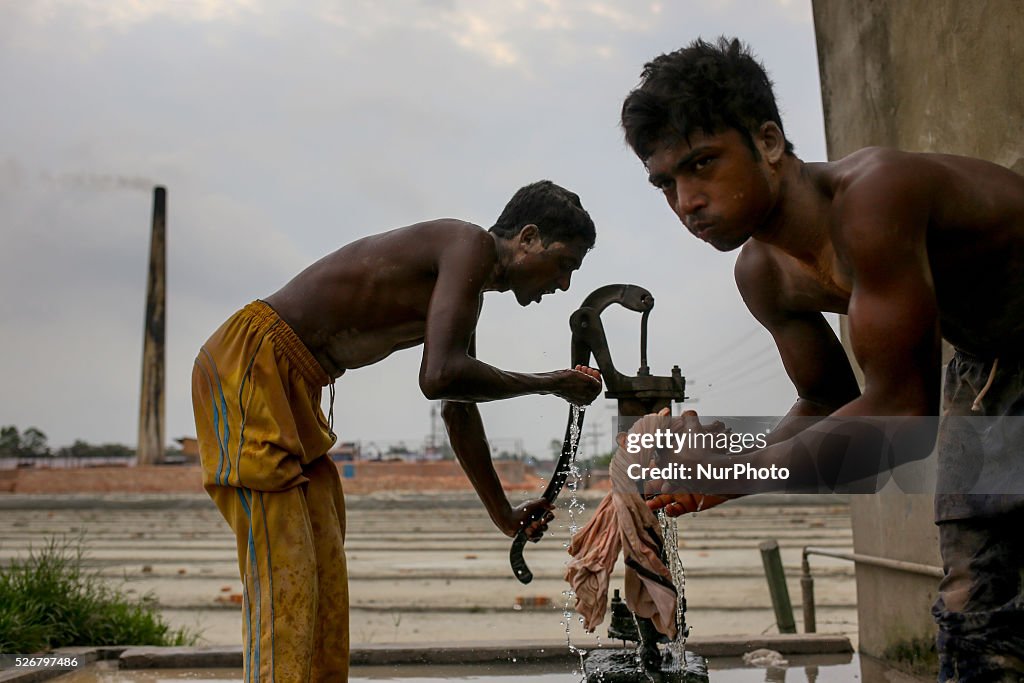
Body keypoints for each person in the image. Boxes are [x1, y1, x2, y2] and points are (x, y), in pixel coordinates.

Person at [619, 37, 1024, 681]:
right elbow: (829, 404)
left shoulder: (875, 197)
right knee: (974, 606)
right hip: (986, 369)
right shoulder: (763, 274)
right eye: (665, 182)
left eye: (703, 164)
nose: (686, 201)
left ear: (770, 143)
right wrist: (720, 471)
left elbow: (901, 420)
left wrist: (737, 471)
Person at [191, 179, 603, 682]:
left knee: (322, 573)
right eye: (565, 265)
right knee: (286, 574)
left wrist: (502, 513)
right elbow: (440, 377)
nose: (563, 285)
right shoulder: (466, 245)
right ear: (530, 238)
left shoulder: (466, 287)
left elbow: (458, 408)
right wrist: (551, 383)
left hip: (297, 384)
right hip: (252, 368)